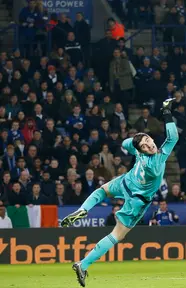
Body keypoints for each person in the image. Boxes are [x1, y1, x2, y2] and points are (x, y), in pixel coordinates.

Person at [61, 98, 178, 286]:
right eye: (145, 145)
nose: (149, 145)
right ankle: (83, 264)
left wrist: (136, 140)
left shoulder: (138, 150)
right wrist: (166, 112)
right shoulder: (157, 161)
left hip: (127, 181)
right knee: (117, 235)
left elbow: (125, 144)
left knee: (101, 191)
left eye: (148, 141)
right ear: (143, 149)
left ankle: (84, 209)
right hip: (138, 199)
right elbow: (173, 138)